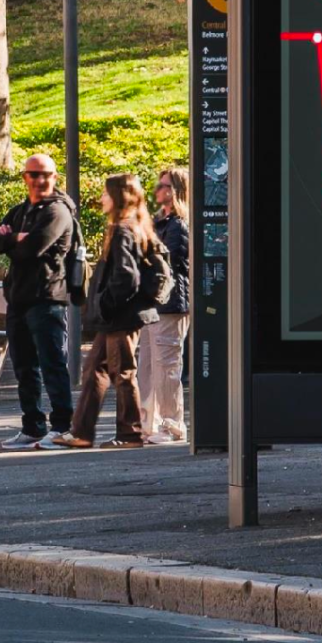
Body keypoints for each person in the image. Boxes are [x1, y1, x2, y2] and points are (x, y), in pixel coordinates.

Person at [62, 173, 172, 450]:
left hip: (120, 317)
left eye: (106, 194)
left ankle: (130, 433)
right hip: (118, 316)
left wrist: (105, 306)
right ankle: (82, 432)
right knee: (94, 369)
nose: (101, 198)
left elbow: (126, 277)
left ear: (119, 197)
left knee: (122, 372)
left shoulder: (123, 229)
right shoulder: (135, 225)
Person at [0, 153, 80, 451]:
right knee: (24, 366)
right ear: (25, 177)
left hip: (47, 297)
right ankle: (33, 426)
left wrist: (10, 240)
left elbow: (33, 249)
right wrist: (16, 238)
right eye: (34, 174)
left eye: (46, 175)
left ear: (55, 177)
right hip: (19, 299)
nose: (40, 180)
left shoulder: (58, 212)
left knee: (52, 363)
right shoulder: (20, 210)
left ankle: (63, 426)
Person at [139, 166, 192, 444]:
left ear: (176, 191)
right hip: (152, 304)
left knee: (167, 365)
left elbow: (175, 265)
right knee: (147, 365)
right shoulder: (159, 222)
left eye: (163, 186)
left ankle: (173, 425)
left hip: (170, 303)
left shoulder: (179, 225)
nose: (158, 190)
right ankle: (150, 422)